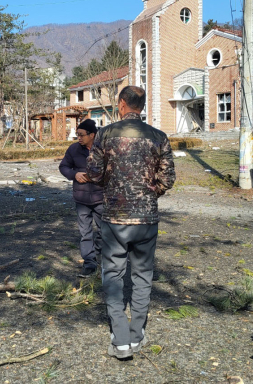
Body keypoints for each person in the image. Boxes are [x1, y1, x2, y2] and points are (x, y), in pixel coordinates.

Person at [86, 86, 175, 359]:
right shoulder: (159, 137)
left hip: (114, 218)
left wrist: (111, 187)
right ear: (142, 105)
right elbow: (168, 178)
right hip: (147, 219)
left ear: (122, 103)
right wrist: (150, 194)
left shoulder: (105, 134)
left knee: (112, 274)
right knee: (142, 275)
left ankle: (121, 340)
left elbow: (93, 171)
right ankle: (137, 336)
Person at [58, 119, 104, 278]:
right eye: (77, 134)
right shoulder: (73, 149)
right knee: (85, 233)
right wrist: (74, 174)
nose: (78, 137)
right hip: (81, 198)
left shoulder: (104, 149)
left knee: (104, 232)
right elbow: (63, 167)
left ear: (92, 134)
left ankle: (101, 257)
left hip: (101, 198)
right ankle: (89, 262)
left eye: (81, 135)